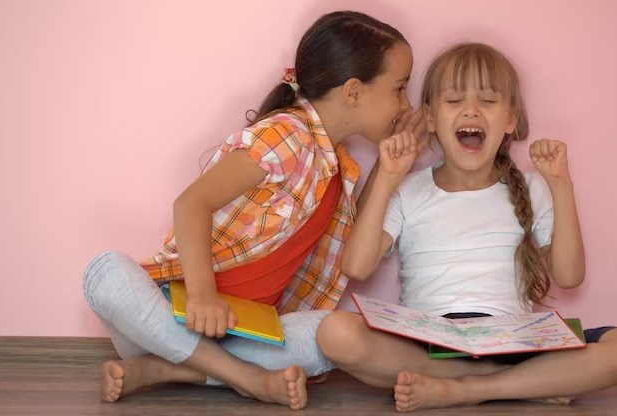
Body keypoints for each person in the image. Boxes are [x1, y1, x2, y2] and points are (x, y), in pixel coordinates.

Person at [83, 10, 415, 410]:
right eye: (400, 89)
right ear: (354, 92)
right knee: (105, 273)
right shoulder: (285, 136)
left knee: (333, 335)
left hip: (245, 335)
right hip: (171, 318)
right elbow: (191, 203)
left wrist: (388, 169)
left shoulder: (341, 170)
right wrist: (203, 297)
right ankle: (244, 378)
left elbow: (353, 257)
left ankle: (167, 368)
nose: (405, 104)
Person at [316, 42, 617, 412]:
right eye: (454, 100)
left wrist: (561, 185)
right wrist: (386, 176)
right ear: (430, 118)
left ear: (511, 119)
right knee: (335, 333)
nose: (472, 110)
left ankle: (469, 388)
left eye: (488, 101)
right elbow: (356, 266)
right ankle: (522, 384)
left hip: (516, 341)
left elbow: (569, 276)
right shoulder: (408, 188)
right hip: (428, 342)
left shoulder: (533, 187)